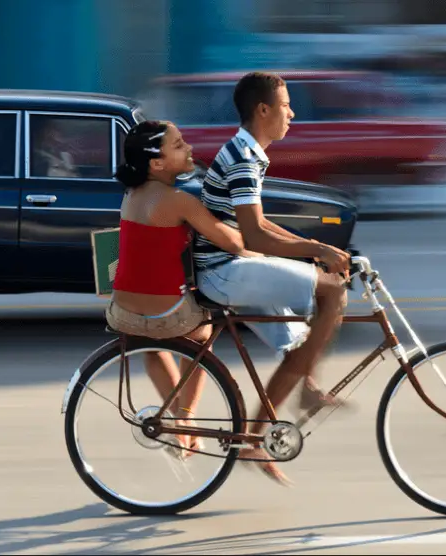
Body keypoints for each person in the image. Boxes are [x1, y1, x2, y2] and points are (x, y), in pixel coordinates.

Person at [193, 72, 352, 486]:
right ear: (262, 110)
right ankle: (304, 392)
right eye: (285, 106)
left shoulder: (248, 153)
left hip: (233, 264)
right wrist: (319, 253)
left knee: (300, 344)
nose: (292, 113)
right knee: (333, 292)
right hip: (225, 271)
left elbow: (261, 225)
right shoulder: (243, 159)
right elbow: (256, 234)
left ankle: (258, 435)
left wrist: (318, 246)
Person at [107, 120, 253, 457]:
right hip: (169, 315)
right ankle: (184, 425)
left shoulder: (132, 194)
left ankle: (176, 424)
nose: (188, 148)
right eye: (178, 144)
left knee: (154, 345)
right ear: (157, 164)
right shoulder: (178, 200)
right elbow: (231, 241)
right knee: (202, 340)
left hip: (122, 312)